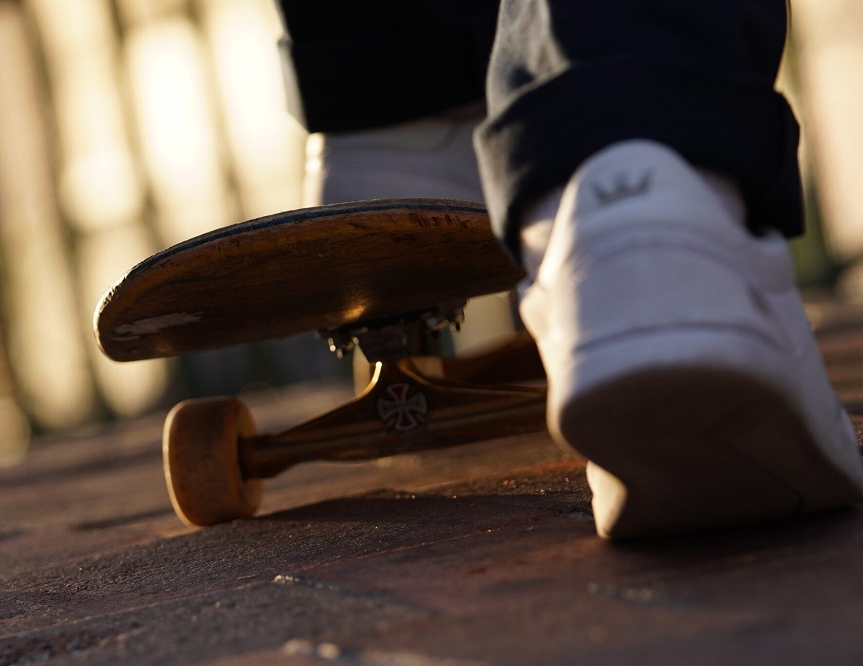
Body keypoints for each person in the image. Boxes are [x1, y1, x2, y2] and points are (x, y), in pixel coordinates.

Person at [274, 0, 863, 538]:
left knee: (396, 74)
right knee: (624, 47)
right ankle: (645, 125)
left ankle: (398, 117)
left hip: (345, 91)